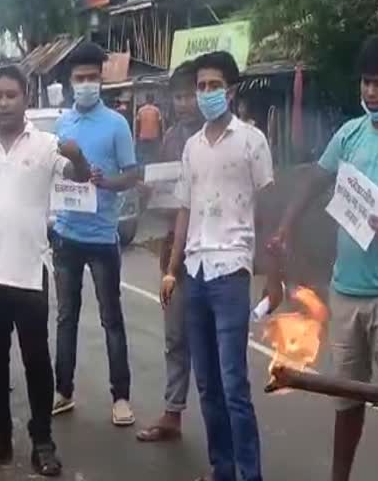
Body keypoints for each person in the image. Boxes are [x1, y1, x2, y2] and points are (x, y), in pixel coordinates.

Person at [271, 33, 378, 481]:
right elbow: (313, 182)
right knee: (344, 398)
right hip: (345, 290)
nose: (370, 93)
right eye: (365, 83)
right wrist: (285, 226)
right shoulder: (349, 134)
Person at [0, 65, 91, 477]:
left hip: (30, 272)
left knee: (36, 362)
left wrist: (77, 156)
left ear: (26, 98)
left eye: (12, 95)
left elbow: (80, 178)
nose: (5, 102)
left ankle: (42, 441)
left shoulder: (47, 145)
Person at [161, 51, 275, 481]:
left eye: (213, 86)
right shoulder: (191, 147)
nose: (206, 93)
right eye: (201, 87)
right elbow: (183, 211)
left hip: (231, 270)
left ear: (230, 91)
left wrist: (275, 275)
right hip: (195, 270)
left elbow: (267, 206)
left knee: (233, 385)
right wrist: (172, 269)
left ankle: (250, 474)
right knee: (206, 383)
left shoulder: (251, 141)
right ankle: (222, 469)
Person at [51, 41, 137, 426]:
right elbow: (58, 171)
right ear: (70, 83)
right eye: (79, 78)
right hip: (67, 235)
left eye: (92, 78)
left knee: (111, 320)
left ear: (101, 80)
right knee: (66, 318)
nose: (86, 84)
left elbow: (133, 175)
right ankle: (63, 391)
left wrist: (109, 183)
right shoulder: (62, 124)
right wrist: (73, 172)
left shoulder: (117, 124)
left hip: (103, 237)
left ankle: (121, 398)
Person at [137, 61, 204, 443]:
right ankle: (172, 413)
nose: (184, 103)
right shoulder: (171, 139)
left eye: (190, 93)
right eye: (178, 96)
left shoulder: (233, 137)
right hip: (174, 253)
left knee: (211, 344)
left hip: (212, 251)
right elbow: (166, 202)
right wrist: (151, 194)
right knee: (175, 337)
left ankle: (223, 425)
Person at [135, 93, 163, 165]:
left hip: (143, 137)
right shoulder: (156, 110)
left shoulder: (141, 110)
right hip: (154, 136)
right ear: (153, 100)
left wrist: (137, 135)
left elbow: (138, 123)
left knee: (143, 157)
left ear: (146, 100)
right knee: (154, 157)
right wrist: (161, 135)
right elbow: (160, 124)